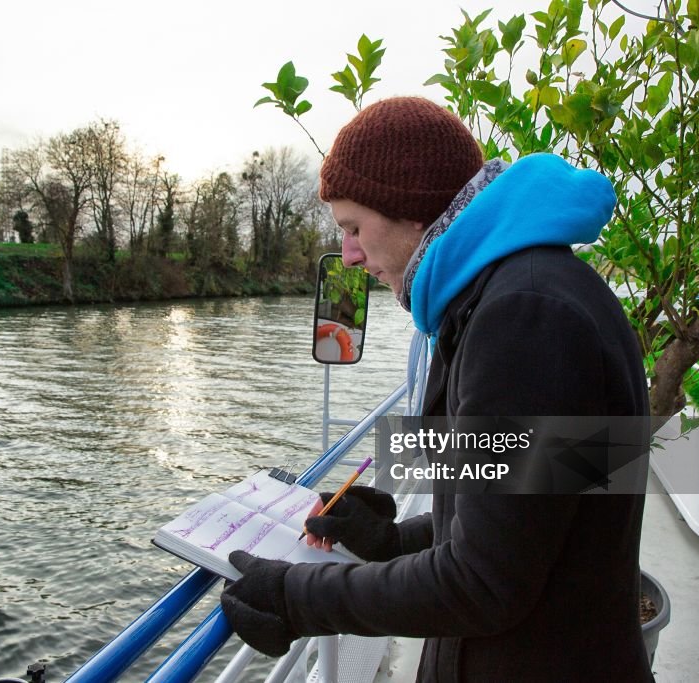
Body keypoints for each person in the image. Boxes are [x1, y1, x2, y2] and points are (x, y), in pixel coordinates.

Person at [220, 97, 653, 682]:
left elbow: (484, 583)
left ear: (414, 210)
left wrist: (299, 597)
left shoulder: (523, 317)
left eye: (353, 228)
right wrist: (391, 540)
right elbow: (534, 515)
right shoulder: (528, 293)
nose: (349, 254)